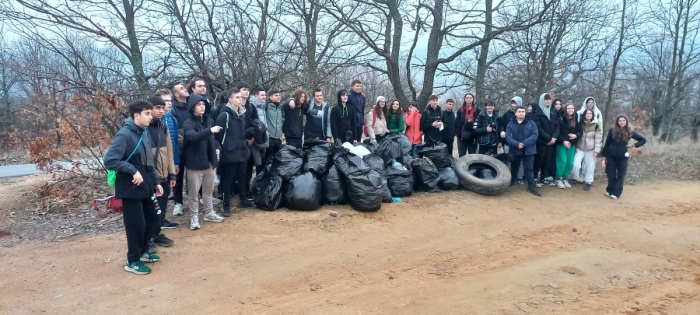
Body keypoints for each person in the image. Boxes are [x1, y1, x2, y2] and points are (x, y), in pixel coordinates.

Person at [104, 100, 163, 275]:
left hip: (146, 186)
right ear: (136, 115)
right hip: (131, 189)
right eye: (147, 113)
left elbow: (149, 163)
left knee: (153, 218)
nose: (150, 116)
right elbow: (110, 160)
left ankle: (143, 251)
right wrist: (132, 170)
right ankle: (133, 260)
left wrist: (156, 181)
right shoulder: (124, 134)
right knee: (136, 225)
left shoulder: (144, 133)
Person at [183, 94, 224, 229]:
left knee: (208, 191)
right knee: (193, 193)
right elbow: (193, 137)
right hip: (194, 164)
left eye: (203, 104)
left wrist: (217, 147)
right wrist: (209, 130)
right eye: (198, 104)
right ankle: (194, 217)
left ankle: (209, 213)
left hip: (210, 162)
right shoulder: (188, 123)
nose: (202, 107)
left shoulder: (209, 120)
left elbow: (214, 139)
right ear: (192, 107)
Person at [215, 88, 256, 216]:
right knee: (228, 180)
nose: (240, 99)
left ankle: (243, 200)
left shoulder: (241, 113)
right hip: (229, 153)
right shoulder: (224, 115)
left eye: (241, 97)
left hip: (242, 152)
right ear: (230, 99)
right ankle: (226, 206)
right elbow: (218, 136)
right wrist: (222, 149)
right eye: (237, 97)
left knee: (242, 177)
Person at [145, 96, 178, 249]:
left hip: (165, 175)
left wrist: (172, 174)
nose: (161, 110)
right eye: (157, 107)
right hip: (151, 177)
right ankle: (147, 238)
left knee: (162, 207)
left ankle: (156, 233)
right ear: (149, 109)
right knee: (151, 208)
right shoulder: (143, 129)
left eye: (162, 107)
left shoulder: (163, 127)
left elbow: (169, 152)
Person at [601, 115, 646, 200]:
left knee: (621, 175)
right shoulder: (612, 130)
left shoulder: (630, 132)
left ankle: (616, 193)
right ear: (617, 122)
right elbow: (607, 143)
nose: (622, 122)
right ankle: (610, 190)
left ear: (626, 121)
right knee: (611, 174)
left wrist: (633, 145)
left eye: (623, 120)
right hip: (611, 156)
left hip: (623, 156)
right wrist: (604, 156)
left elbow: (643, 140)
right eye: (620, 121)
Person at [505, 106, 541, 196]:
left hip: (528, 149)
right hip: (515, 149)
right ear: (515, 113)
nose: (521, 113)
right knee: (514, 167)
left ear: (525, 113)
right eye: (519, 111)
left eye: (523, 111)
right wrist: (517, 144)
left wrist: (524, 143)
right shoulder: (511, 124)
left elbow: (534, 135)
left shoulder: (531, 123)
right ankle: (512, 182)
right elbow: (508, 136)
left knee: (529, 168)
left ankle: (531, 186)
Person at [169, 82, 190, 216]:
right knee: (177, 175)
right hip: (180, 148)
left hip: (193, 147)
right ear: (176, 94)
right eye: (182, 88)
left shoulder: (190, 105)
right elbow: (174, 133)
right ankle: (178, 203)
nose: (186, 89)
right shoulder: (172, 109)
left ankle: (199, 198)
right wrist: (189, 141)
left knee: (195, 174)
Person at [571, 109, 602, 191]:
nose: (588, 115)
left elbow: (598, 139)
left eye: (590, 113)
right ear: (584, 115)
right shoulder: (580, 124)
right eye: (587, 113)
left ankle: (588, 181)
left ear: (593, 115)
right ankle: (575, 178)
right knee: (576, 164)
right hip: (580, 148)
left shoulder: (596, 126)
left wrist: (596, 151)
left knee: (590, 166)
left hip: (590, 149)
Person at [532, 93, 559, 187]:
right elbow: (538, 128)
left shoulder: (553, 112)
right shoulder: (537, 113)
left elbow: (557, 126)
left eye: (549, 99)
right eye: (546, 99)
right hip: (541, 142)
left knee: (547, 160)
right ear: (542, 100)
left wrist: (554, 137)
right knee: (538, 160)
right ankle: (534, 178)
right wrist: (549, 138)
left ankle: (543, 177)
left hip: (551, 142)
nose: (548, 101)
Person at [555, 103, 582, 189]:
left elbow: (580, 132)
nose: (570, 110)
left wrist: (576, 136)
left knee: (569, 162)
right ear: (566, 109)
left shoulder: (576, 120)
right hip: (562, 144)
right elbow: (557, 133)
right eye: (568, 108)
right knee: (563, 160)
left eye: (572, 108)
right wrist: (563, 141)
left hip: (572, 144)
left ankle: (565, 178)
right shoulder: (561, 119)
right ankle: (558, 178)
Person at [265, 89, 284, 161]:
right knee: (267, 161)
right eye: (276, 95)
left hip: (278, 138)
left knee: (276, 161)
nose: (278, 97)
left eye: (279, 95)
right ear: (270, 97)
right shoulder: (266, 106)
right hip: (269, 138)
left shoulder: (280, 108)